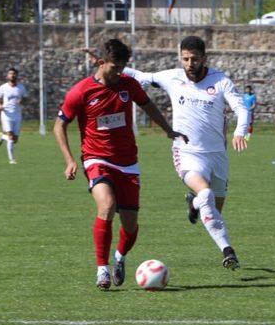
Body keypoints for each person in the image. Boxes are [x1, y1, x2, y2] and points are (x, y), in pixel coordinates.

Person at [53, 39, 187, 291]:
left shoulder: (128, 84)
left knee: (130, 224)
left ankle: (119, 257)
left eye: (122, 67)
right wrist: (69, 159)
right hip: (96, 158)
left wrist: (168, 130)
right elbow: (60, 124)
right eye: (115, 67)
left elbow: (148, 106)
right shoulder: (80, 92)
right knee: (107, 205)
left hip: (127, 162)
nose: (119, 72)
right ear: (101, 62)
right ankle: (102, 270)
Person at [122, 35, 250, 271]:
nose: (189, 64)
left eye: (194, 59)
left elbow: (241, 108)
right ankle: (228, 251)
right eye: (185, 59)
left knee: (213, 210)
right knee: (207, 195)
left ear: (204, 58)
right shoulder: (173, 77)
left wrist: (240, 131)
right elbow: (140, 77)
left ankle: (194, 203)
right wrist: (107, 63)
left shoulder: (220, 81)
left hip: (217, 155)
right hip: (187, 152)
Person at [0, 68, 27, 164]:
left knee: (15, 139)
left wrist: (22, 101)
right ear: (7, 76)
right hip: (6, 115)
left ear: (16, 75)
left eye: (14, 74)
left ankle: (2, 136)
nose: (12, 75)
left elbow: (25, 98)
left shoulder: (21, 88)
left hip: (17, 115)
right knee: (11, 137)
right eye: (10, 73)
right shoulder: (3, 87)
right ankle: (12, 159)